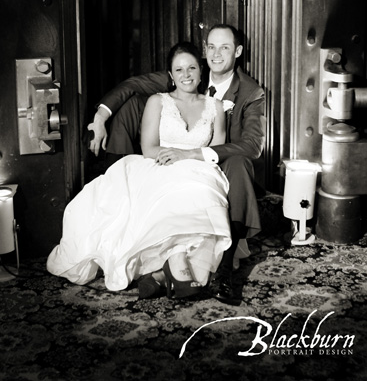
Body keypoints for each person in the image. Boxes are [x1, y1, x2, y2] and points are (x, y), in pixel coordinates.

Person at [88, 24, 266, 305]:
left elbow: (252, 146)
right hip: (172, 160)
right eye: (211, 47)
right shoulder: (191, 70)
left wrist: (196, 154)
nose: (216, 55)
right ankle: (166, 270)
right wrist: (100, 117)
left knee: (239, 165)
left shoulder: (251, 92)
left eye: (225, 48)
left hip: (223, 160)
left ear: (238, 52)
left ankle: (221, 271)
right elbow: (134, 85)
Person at [47, 42, 232, 300]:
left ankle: (161, 273)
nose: (186, 75)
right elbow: (149, 148)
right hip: (162, 164)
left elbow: (216, 150)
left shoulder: (215, 107)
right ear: (170, 75)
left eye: (191, 68)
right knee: (155, 201)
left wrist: (188, 156)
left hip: (200, 168)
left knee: (205, 196)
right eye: (179, 70)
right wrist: (101, 118)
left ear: (201, 71)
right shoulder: (158, 101)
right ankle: (173, 264)